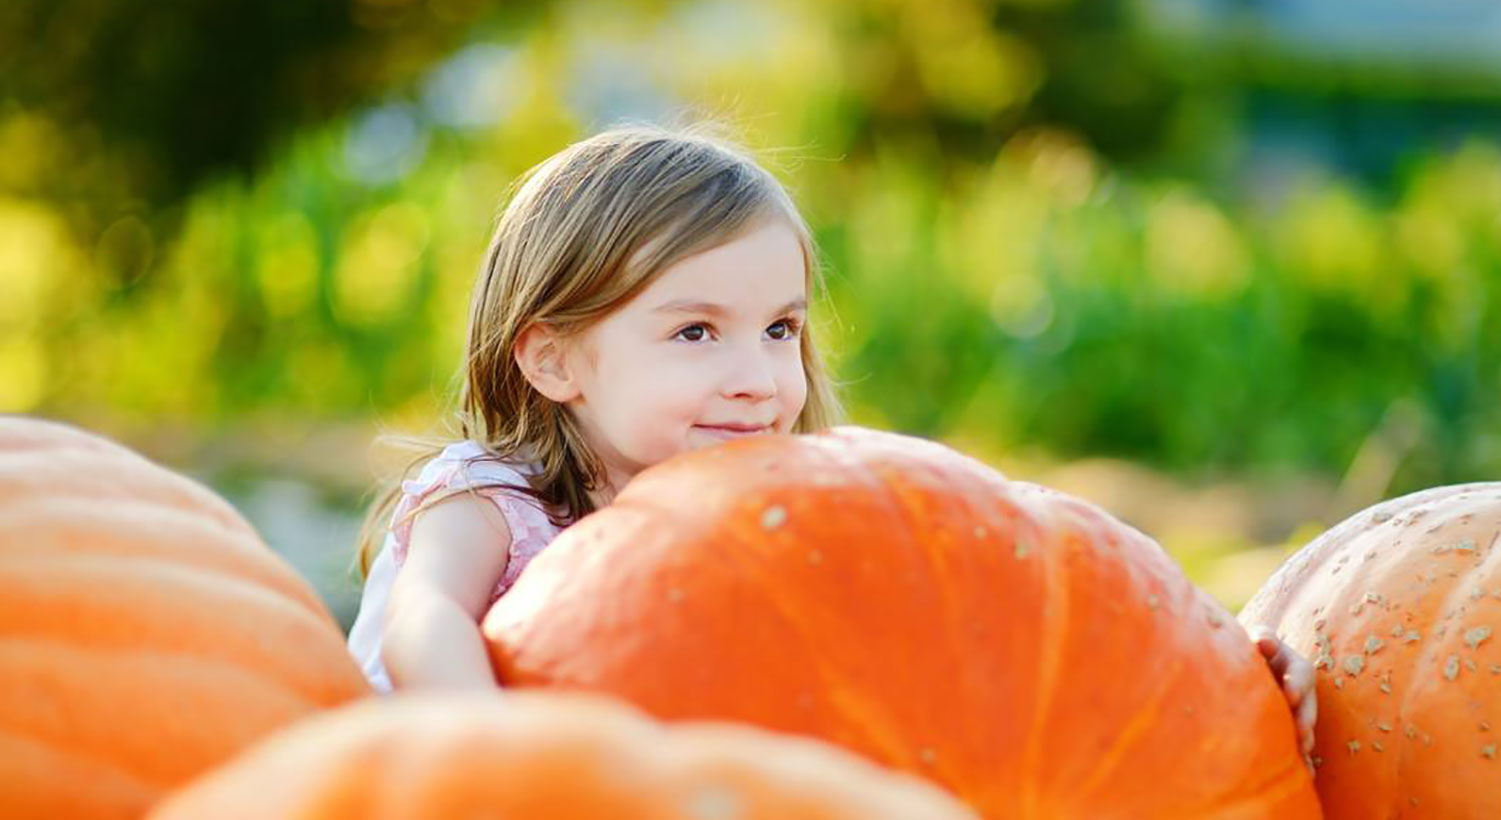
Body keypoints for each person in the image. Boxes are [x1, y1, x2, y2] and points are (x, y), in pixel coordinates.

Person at [343, 122, 1317, 766]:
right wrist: (502, 757)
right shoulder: (493, 496)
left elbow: (1006, 596)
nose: (757, 375)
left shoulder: (772, 506)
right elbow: (424, 622)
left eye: (779, 328)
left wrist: (1201, 669)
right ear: (554, 360)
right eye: (695, 332)